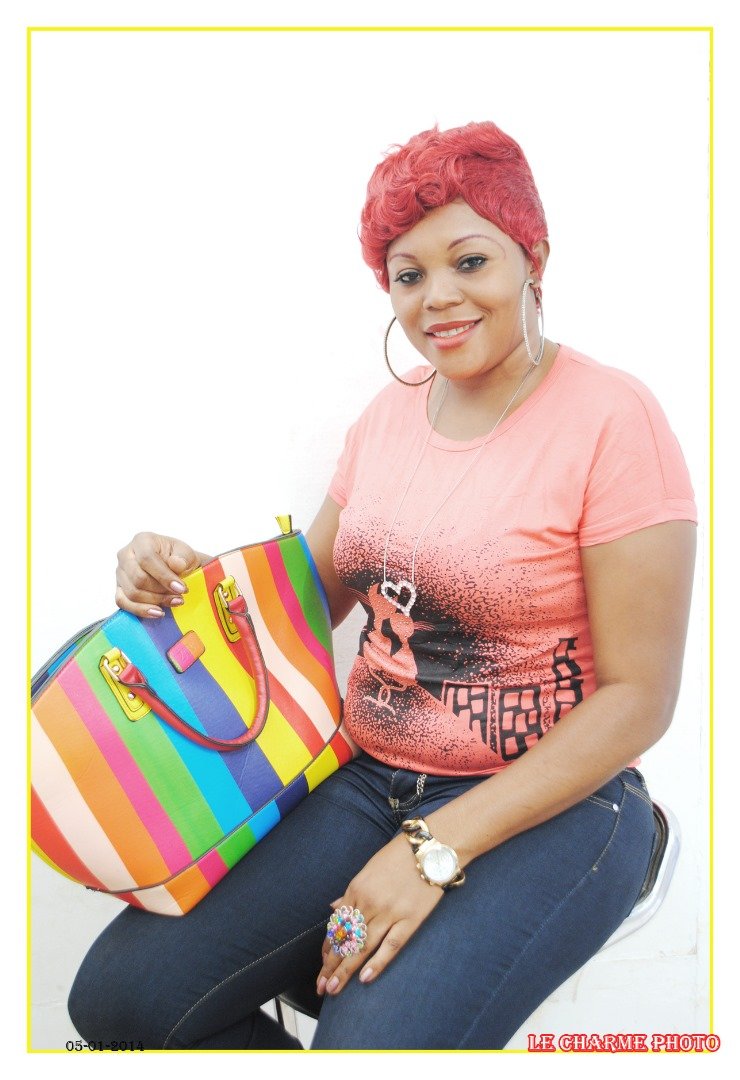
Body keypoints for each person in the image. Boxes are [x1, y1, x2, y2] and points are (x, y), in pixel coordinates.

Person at [67, 121, 697, 1050]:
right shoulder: (388, 418)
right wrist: (183, 578)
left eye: (469, 261)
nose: (438, 297)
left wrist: (433, 850)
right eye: (409, 275)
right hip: (367, 777)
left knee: (366, 1051)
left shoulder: (613, 419)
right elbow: (308, 599)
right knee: (121, 1002)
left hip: (553, 800)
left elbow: (640, 699)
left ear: (534, 257)